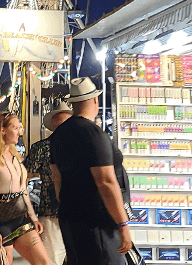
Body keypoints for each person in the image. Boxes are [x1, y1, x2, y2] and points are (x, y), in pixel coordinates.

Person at [50, 77, 132, 265]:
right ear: (95, 100)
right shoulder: (93, 133)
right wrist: (123, 223)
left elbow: (57, 179)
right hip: (98, 222)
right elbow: (106, 182)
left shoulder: (59, 135)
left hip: (70, 217)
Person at [0, 112, 49, 265]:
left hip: (19, 219)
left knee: (44, 262)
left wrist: (33, 217)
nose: (20, 132)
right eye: (16, 128)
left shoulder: (16, 158)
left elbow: (23, 189)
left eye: (20, 128)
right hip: (0, 223)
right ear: (2, 130)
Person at [24, 100, 72, 265]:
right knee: (50, 259)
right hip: (51, 213)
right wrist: (28, 211)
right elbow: (25, 177)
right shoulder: (41, 148)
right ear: (54, 124)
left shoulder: (79, 146)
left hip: (77, 213)